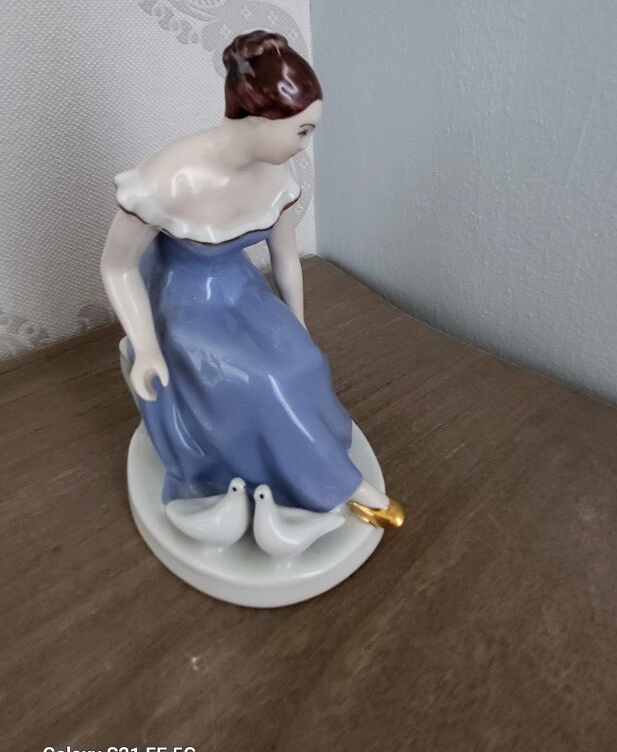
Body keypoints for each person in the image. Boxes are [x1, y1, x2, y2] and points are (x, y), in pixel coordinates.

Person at [100, 29, 404, 528]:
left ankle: (305, 463)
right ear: (263, 118)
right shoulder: (168, 178)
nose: (306, 145)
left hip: (238, 289)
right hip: (181, 302)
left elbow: (285, 258)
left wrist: (297, 323)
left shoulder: (278, 177)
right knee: (264, 379)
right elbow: (117, 266)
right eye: (302, 131)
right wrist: (147, 347)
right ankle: (329, 486)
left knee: (303, 361)